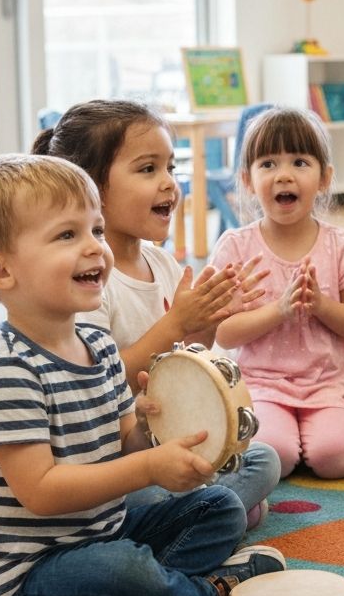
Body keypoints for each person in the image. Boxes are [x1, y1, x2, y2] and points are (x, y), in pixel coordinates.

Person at [0, 155, 287, 596]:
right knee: (119, 571)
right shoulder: (6, 371)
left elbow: (127, 442)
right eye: (66, 235)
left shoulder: (100, 346)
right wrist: (150, 467)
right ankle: (212, 595)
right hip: (29, 581)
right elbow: (43, 492)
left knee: (218, 506)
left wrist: (151, 434)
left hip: (102, 531)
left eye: (96, 229)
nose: (95, 247)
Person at [32, 100, 280, 530]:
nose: (169, 184)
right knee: (159, 494)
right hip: (115, 465)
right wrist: (175, 324)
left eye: (170, 168)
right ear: (92, 189)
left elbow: (183, 366)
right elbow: (96, 386)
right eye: (148, 169)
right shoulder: (89, 281)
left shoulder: (162, 264)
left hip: (166, 442)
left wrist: (208, 321)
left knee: (262, 457)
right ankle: (211, 515)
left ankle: (208, 513)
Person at [209, 106, 344, 479]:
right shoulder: (235, 246)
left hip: (328, 385)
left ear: (325, 177)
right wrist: (279, 310)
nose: (283, 175)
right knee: (274, 456)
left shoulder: (341, 245)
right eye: (268, 164)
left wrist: (320, 306)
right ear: (247, 180)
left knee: (335, 461)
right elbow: (224, 333)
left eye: (299, 162)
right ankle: (285, 432)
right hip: (263, 385)